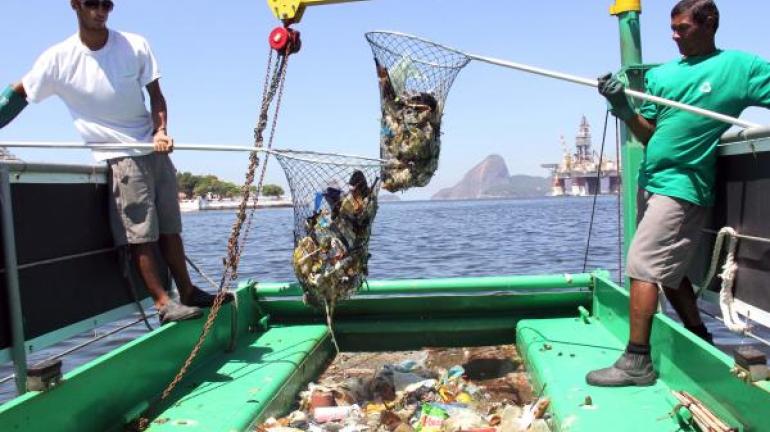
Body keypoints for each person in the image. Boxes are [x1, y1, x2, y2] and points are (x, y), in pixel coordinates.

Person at [0, 0, 224, 324]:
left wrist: (161, 130)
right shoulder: (57, 59)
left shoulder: (135, 44)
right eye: (92, 3)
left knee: (171, 228)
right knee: (141, 233)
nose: (101, 10)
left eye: (107, 4)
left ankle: (187, 291)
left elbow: (156, 95)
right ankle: (163, 302)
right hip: (119, 155)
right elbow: (18, 93)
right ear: (75, 5)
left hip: (153, 148)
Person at [586, 0, 770, 387]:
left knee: (642, 266)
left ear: (709, 25)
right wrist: (622, 107)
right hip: (651, 182)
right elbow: (648, 134)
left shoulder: (740, 68)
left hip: (683, 186)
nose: (674, 35)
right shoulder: (664, 75)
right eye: (671, 28)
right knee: (669, 272)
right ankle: (699, 336)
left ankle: (637, 361)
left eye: (682, 28)